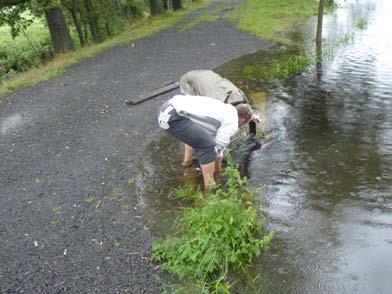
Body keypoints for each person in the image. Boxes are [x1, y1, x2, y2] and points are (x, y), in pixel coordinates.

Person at [158, 94, 253, 189]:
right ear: (242, 120)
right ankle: (209, 188)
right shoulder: (233, 121)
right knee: (208, 146)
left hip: (165, 109)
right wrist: (218, 170)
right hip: (173, 118)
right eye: (242, 124)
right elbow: (218, 145)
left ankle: (187, 164)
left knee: (197, 137)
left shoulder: (226, 109)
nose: (239, 126)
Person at [179, 69, 261, 123]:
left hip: (208, 75)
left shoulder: (240, 96)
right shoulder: (215, 103)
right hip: (188, 81)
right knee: (195, 107)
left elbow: (245, 108)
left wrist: (252, 115)